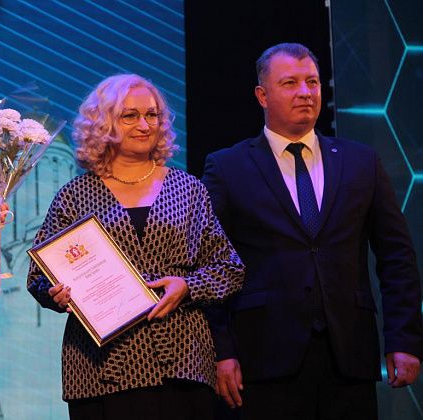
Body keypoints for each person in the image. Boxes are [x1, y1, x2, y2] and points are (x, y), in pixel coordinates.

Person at [202, 42, 423, 419]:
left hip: (349, 356)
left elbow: (396, 256)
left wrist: (403, 339)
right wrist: (221, 351)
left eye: (313, 82)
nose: (305, 92)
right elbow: (209, 265)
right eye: (290, 83)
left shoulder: (361, 161)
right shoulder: (227, 167)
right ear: (262, 96)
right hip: (263, 359)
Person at [27, 74, 245, 419]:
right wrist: (55, 294)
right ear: (103, 124)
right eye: (130, 116)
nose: (144, 125)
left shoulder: (188, 189)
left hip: (182, 360)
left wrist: (187, 286)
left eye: (152, 115)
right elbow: (39, 277)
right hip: (101, 368)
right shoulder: (74, 195)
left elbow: (229, 269)